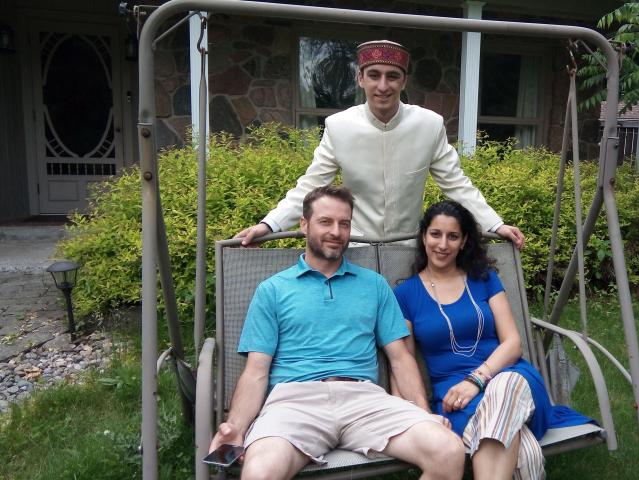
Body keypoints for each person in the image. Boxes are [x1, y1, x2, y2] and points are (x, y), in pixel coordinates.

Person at [210, 185, 465, 480]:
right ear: (304, 225)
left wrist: (423, 413)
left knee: (448, 451)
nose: (336, 231)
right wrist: (237, 429)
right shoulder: (273, 290)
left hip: (364, 400)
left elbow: (400, 358)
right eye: (325, 222)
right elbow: (255, 372)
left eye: (344, 224)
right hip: (295, 403)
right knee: (259, 472)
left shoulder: (374, 285)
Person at [236, 39, 525, 249]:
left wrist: (495, 224)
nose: (383, 86)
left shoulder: (429, 124)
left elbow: (457, 184)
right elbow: (309, 188)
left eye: (392, 76)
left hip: (410, 249)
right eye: (374, 75)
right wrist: (268, 225)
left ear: (403, 81)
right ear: (360, 78)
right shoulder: (339, 126)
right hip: (356, 248)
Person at [392, 200, 595, 480]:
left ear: (463, 242)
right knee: (524, 453)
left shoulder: (483, 279)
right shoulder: (406, 295)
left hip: (509, 375)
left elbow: (513, 343)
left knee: (505, 386)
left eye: (453, 236)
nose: (443, 244)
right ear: (424, 236)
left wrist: (476, 380)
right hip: (455, 401)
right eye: (435, 234)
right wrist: (420, 415)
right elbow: (403, 360)